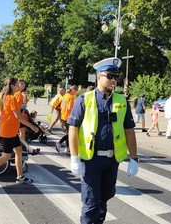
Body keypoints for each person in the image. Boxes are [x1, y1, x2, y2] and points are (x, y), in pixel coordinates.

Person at [68, 57, 138, 223]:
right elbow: (73, 128)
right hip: (91, 160)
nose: (113, 80)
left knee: (104, 199)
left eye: (116, 77)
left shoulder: (122, 101)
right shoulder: (84, 99)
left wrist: (134, 158)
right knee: (91, 202)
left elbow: (129, 130)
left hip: (112, 160)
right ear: (99, 76)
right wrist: (74, 157)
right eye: (110, 76)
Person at [0, 77, 39, 187]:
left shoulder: (6, 96)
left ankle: (20, 177)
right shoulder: (11, 98)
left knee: (18, 151)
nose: (20, 87)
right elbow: (18, 117)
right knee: (5, 156)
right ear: (13, 86)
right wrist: (32, 127)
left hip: (11, 129)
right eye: (18, 85)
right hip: (8, 130)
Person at [55, 85, 78, 153]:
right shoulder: (71, 97)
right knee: (70, 133)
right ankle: (59, 142)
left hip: (64, 116)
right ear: (73, 90)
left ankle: (67, 147)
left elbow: (62, 105)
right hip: (69, 117)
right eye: (75, 92)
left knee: (68, 132)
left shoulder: (65, 95)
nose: (75, 93)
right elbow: (69, 108)